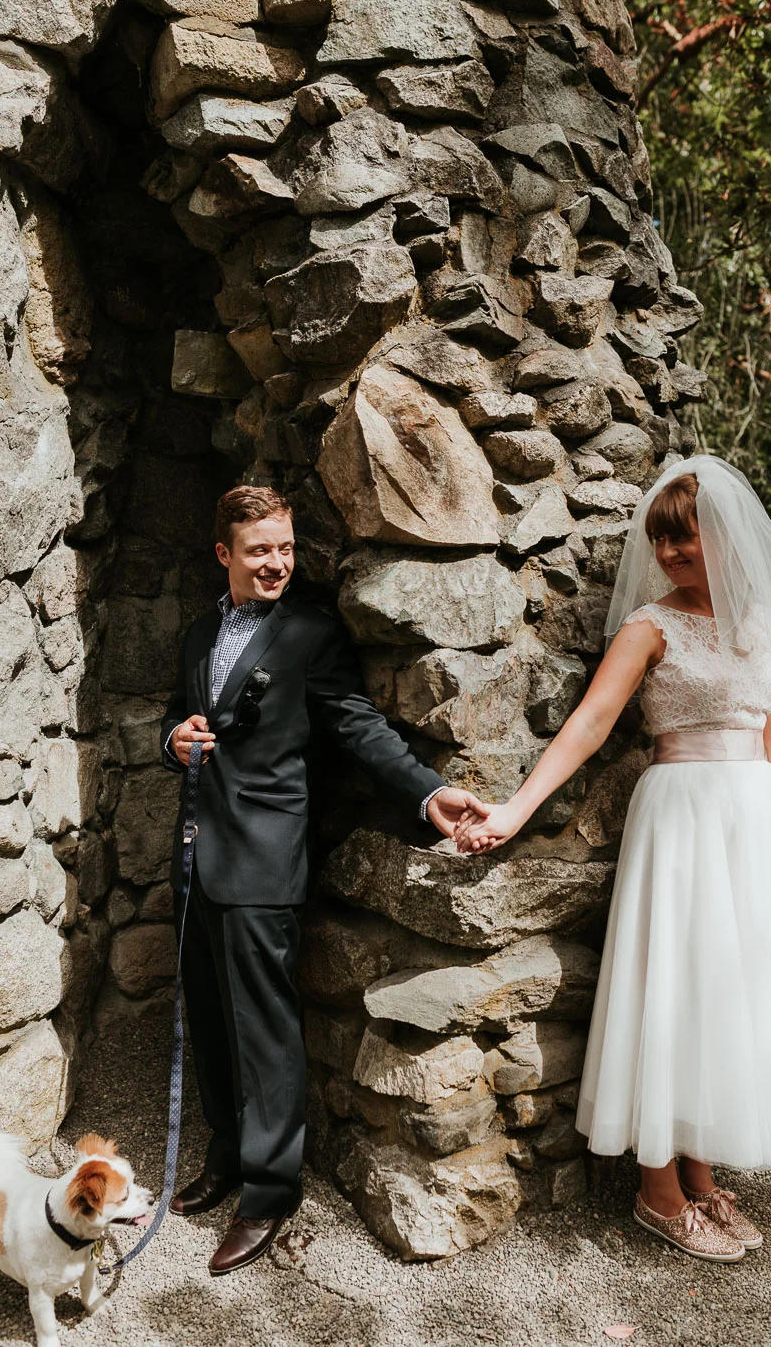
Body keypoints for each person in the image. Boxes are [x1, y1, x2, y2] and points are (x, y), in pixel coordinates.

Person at [454, 455, 771, 1262]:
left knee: (731, 995)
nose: (675, 553)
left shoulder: (765, 628)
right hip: (681, 818)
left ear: (728, 537)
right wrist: (514, 808)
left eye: (689, 537)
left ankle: (702, 1171)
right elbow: (589, 723)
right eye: (663, 540)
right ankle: (658, 1186)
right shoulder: (651, 625)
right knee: (676, 986)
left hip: (757, 827)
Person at [160, 485, 484, 1275]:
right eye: (260, 550)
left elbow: (356, 723)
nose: (277, 562)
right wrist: (175, 736)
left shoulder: (308, 633)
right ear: (224, 556)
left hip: (265, 859)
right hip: (198, 854)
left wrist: (427, 791)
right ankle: (228, 1152)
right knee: (209, 1013)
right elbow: (179, 710)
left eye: (286, 547)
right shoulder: (202, 630)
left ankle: (270, 1191)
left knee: (265, 1030)